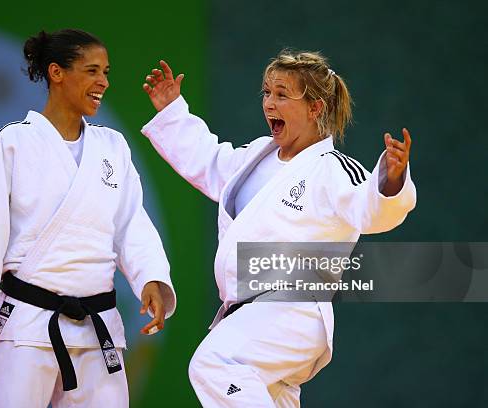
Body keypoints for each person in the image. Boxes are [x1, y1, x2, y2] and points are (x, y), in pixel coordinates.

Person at [141, 51, 416, 407]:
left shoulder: (332, 168)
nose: (270, 103)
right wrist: (172, 113)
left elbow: (370, 209)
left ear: (316, 108)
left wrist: (390, 180)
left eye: (283, 94)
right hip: (250, 314)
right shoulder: (259, 155)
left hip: (294, 309)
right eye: (267, 92)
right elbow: (209, 161)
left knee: (215, 365)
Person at [0, 29, 176, 408]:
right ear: (57, 72)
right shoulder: (13, 142)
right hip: (27, 326)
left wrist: (150, 276)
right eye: (91, 71)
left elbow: (131, 223)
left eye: (106, 71)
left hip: (97, 326)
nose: (103, 82)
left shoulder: (112, 146)